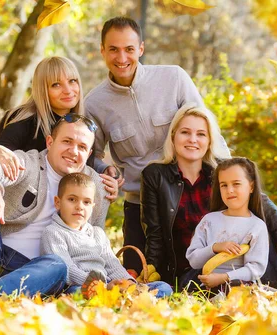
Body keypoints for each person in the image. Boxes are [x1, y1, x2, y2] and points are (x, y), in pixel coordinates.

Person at [141, 104, 277, 296]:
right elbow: (155, 233)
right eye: (185, 132)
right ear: (174, 136)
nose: (193, 139)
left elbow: (260, 202)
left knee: (260, 229)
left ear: (210, 140)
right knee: (234, 280)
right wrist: (151, 272)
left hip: (236, 257)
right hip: (196, 267)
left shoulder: (221, 171)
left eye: (201, 134)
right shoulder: (156, 175)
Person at [84, 16, 229, 272]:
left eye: (129, 49)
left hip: (189, 194)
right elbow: (90, 154)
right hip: (139, 203)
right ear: (102, 51)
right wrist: (108, 170)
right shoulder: (94, 103)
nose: (122, 58)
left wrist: (229, 177)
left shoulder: (173, 78)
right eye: (113, 49)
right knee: (137, 276)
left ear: (141, 48)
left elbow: (205, 129)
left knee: (203, 271)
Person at [0, 114, 108, 296]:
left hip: (37, 272)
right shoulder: (28, 164)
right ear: (50, 142)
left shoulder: (95, 185)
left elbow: (94, 244)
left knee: (57, 264)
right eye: (67, 141)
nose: (74, 151)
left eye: (82, 147)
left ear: (89, 153)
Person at [0, 56, 117, 199]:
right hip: (20, 205)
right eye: (56, 84)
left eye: (72, 81)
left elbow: (84, 163)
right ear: (42, 89)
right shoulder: (26, 121)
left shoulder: (82, 125)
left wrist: (104, 173)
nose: (68, 90)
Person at [39, 172, 173, 298]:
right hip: (77, 285)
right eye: (72, 199)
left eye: (86, 202)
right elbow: (66, 270)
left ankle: (129, 297)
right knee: (77, 293)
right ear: (58, 202)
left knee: (164, 287)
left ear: (92, 206)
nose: (79, 206)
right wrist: (101, 287)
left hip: (107, 284)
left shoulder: (97, 233)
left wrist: (128, 282)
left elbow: (112, 264)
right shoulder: (53, 233)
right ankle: (115, 299)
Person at [186, 158, 269, 291]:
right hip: (207, 287)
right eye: (224, 185)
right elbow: (194, 261)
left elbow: (256, 268)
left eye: (236, 184)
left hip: (241, 288)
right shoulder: (209, 220)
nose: (229, 190)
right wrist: (215, 247)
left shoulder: (257, 226)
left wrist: (224, 277)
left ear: (251, 187)